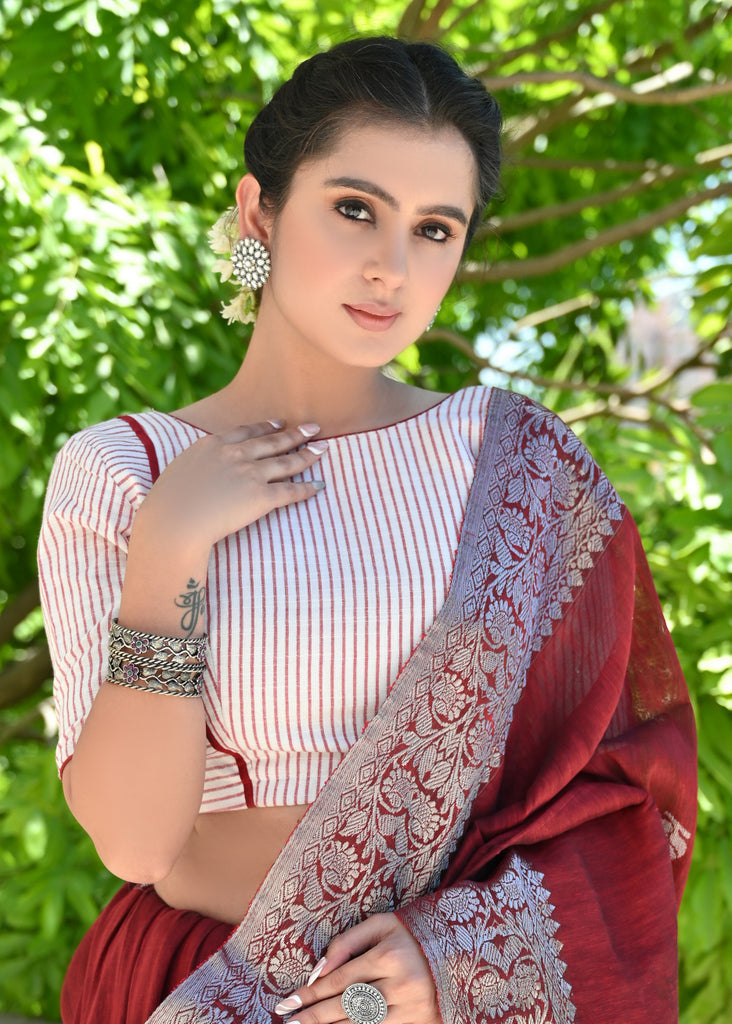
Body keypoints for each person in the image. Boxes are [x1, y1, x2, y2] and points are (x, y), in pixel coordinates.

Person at [38, 35, 696, 1024]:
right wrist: (169, 546)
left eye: (435, 229)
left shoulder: (514, 465)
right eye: (355, 209)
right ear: (258, 212)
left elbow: (625, 791)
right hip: (211, 979)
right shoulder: (125, 471)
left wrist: (451, 962)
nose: (391, 267)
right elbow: (136, 844)